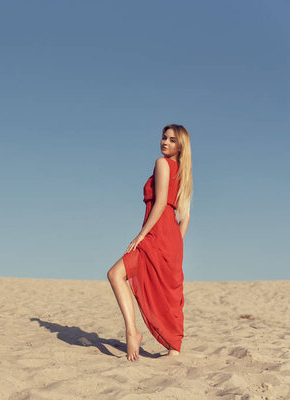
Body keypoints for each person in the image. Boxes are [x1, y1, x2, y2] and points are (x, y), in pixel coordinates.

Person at [107, 124, 193, 361]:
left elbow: (160, 202)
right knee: (167, 290)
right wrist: (175, 243)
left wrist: (142, 235)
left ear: (180, 146)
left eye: (172, 140)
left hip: (157, 233)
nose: (165, 142)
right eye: (164, 137)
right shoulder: (184, 174)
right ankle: (174, 348)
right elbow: (185, 217)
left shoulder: (162, 164)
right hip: (171, 237)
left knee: (115, 274)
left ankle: (132, 332)